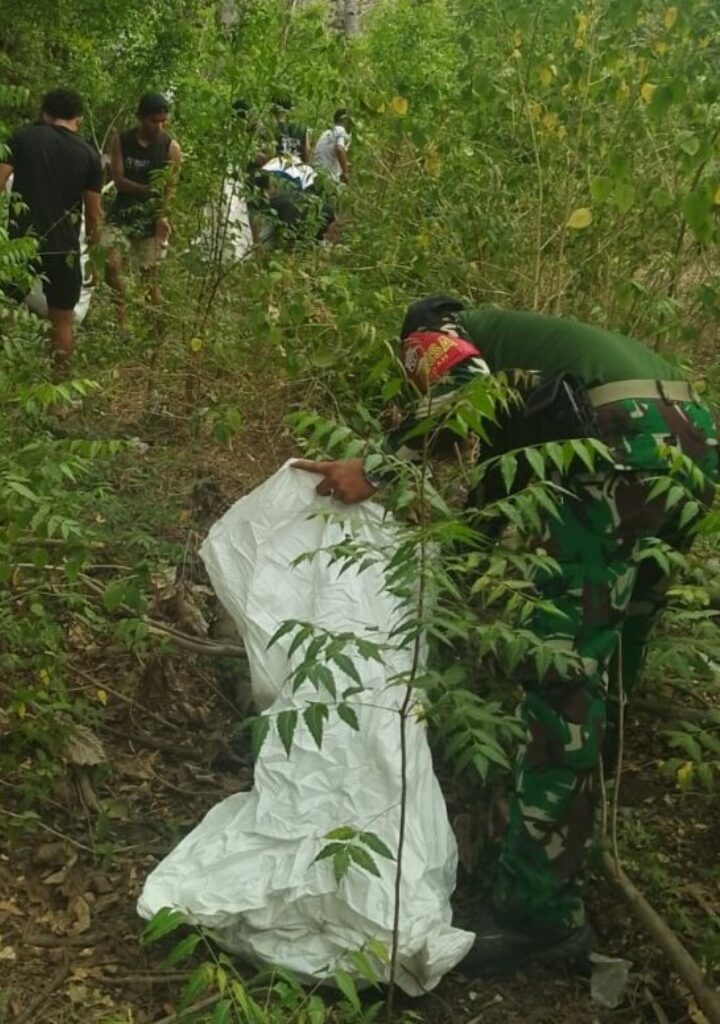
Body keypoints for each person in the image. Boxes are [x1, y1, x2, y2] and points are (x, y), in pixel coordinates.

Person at [293, 298, 719, 973]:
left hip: (617, 447)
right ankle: (578, 836)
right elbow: (495, 493)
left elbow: (466, 393)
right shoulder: (536, 359)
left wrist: (373, 469)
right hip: (696, 442)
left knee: (563, 679)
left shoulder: (434, 329)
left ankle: (538, 914)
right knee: (613, 658)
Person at [0, 88, 103, 370]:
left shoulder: (22, 137)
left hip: (20, 243)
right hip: (64, 248)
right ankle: (58, 387)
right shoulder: (90, 155)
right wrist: (93, 255)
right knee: (62, 320)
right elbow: (93, 213)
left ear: (44, 114)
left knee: (6, 307)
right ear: (79, 119)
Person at [104, 92, 182, 319]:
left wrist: (162, 216)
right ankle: (121, 315)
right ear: (141, 118)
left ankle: (154, 326)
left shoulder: (170, 147)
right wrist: (148, 190)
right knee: (111, 265)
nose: (159, 126)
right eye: (153, 121)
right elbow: (119, 179)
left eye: (163, 121)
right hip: (122, 213)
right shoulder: (122, 141)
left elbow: (170, 187)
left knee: (149, 277)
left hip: (151, 216)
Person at [312, 108, 351, 185]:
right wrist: (345, 172)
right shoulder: (340, 130)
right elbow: (339, 149)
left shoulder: (325, 133)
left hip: (316, 173)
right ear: (344, 120)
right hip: (328, 178)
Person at [269, 94, 311, 164]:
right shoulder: (301, 127)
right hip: (296, 167)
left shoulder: (269, 127)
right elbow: (307, 153)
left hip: (274, 167)